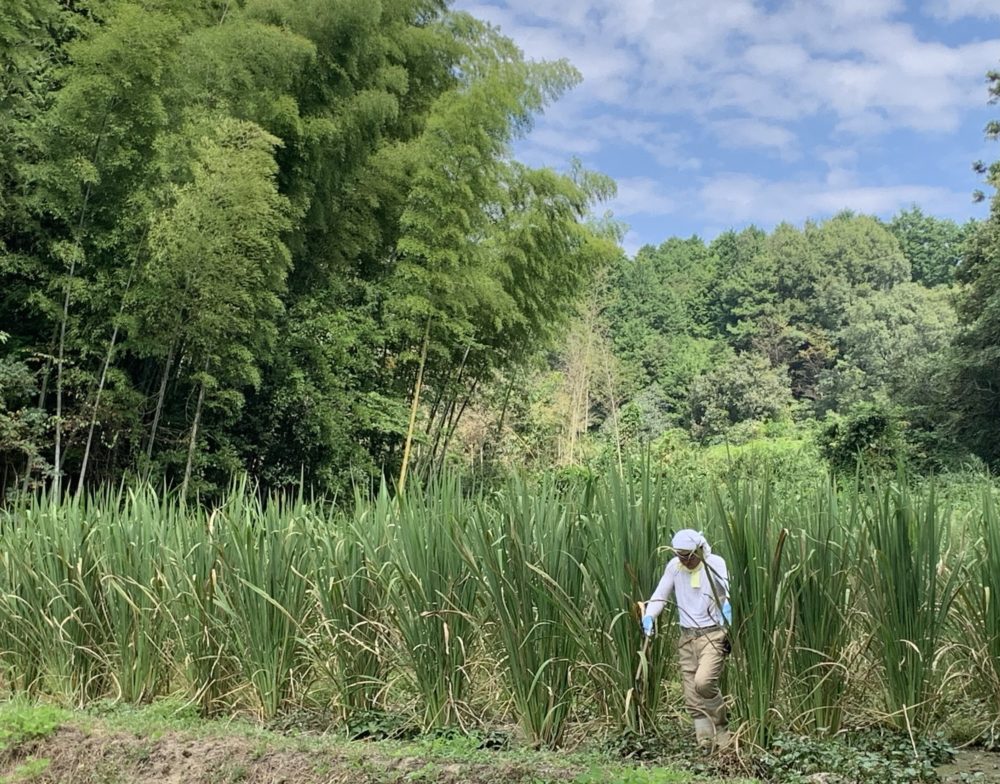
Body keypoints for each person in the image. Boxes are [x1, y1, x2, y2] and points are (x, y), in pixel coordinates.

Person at [641, 528, 732, 751]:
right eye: (681, 555)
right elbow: (661, 594)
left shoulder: (715, 563)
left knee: (704, 682)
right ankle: (705, 740)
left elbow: (727, 590)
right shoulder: (675, 567)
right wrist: (650, 615)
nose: (685, 560)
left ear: (700, 550)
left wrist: (728, 611)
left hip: (712, 634)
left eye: (689, 555)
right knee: (691, 692)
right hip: (687, 636)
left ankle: (722, 728)